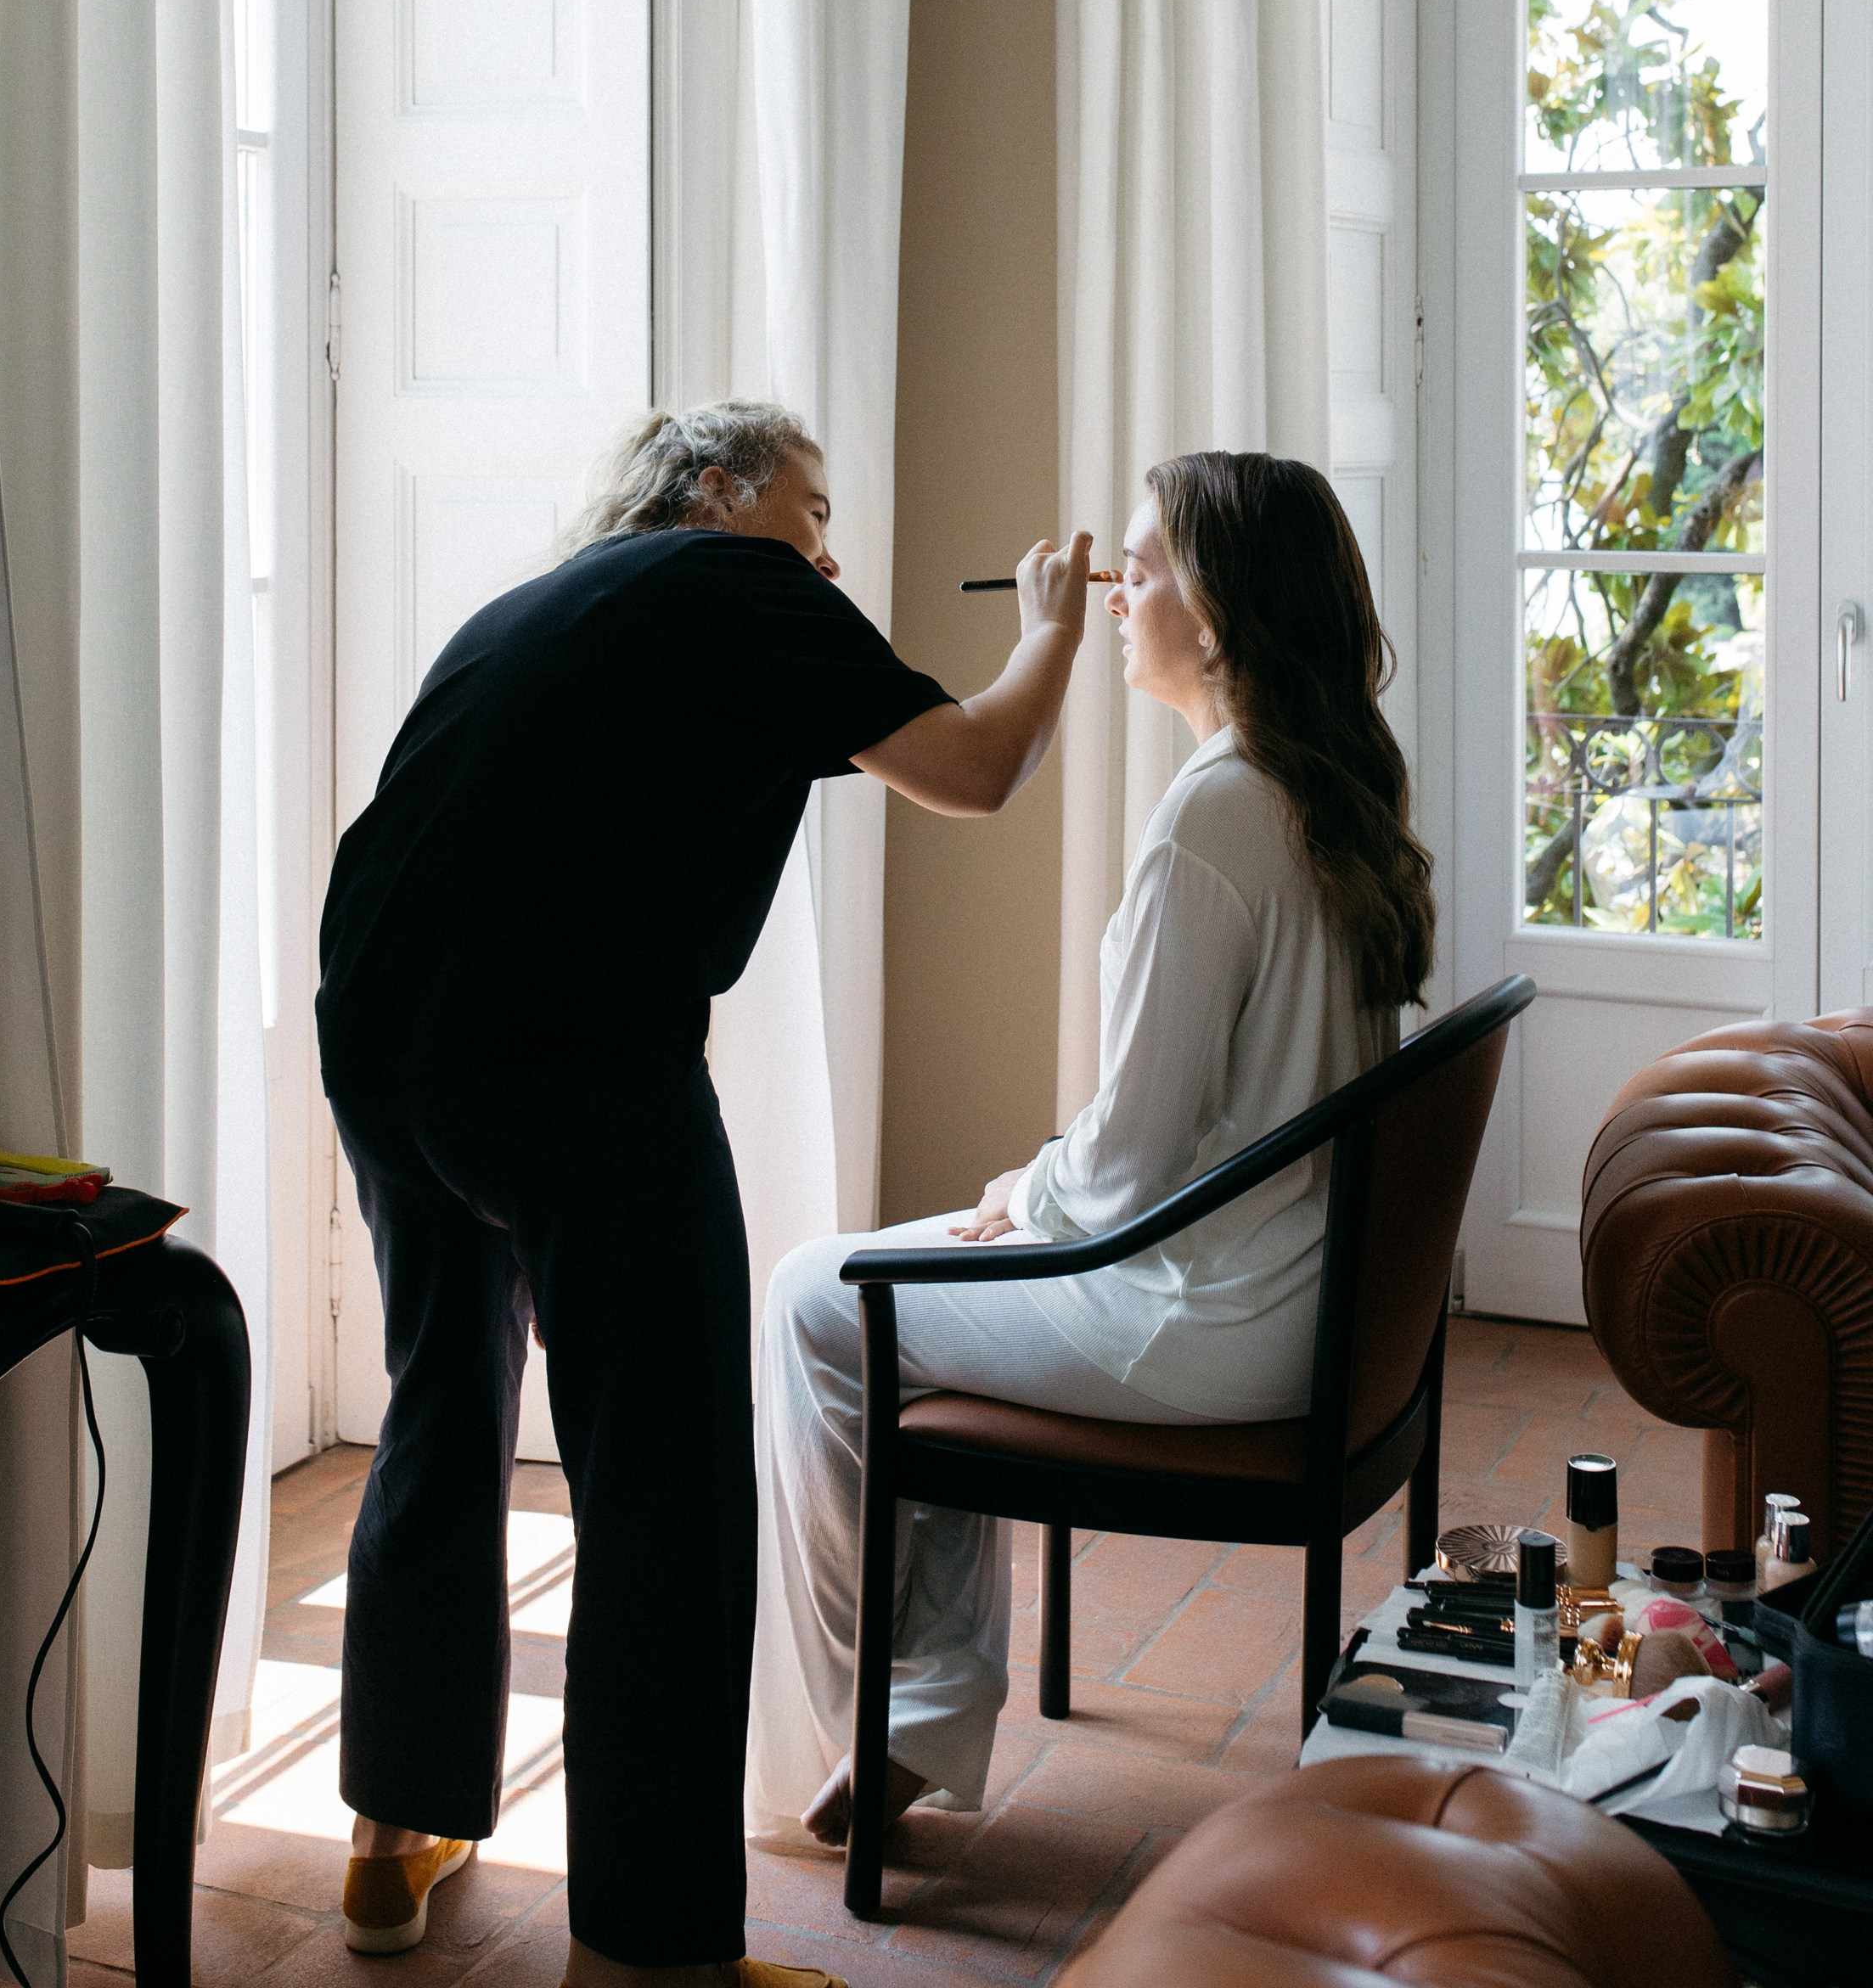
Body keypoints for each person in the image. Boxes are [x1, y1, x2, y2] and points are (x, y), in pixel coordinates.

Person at [314, 401, 1093, 1978]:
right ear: (722, 492)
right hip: (572, 1063)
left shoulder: (548, 597)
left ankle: (391, 1843)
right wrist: (1051, 630)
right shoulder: (744, 590)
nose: (826, 548)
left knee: (441, 1407)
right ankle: (653, 1949)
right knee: (665, 1480)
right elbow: (977, 769)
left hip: (386, 1035)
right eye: (811, 509)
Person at [746, 449, 1436, 1849]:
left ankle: (893, 1715)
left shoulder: (1216, 815)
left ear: (1225, 610)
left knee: (821, 1302)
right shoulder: (1322, 779)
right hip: (1313, 1294)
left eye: (1147, 565)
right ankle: (923, 1713)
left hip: (1211, 1314)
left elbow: (1127, 1170)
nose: (1118, 592)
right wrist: (1024, 1205)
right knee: (913, 1291)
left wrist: (1019, 1193)